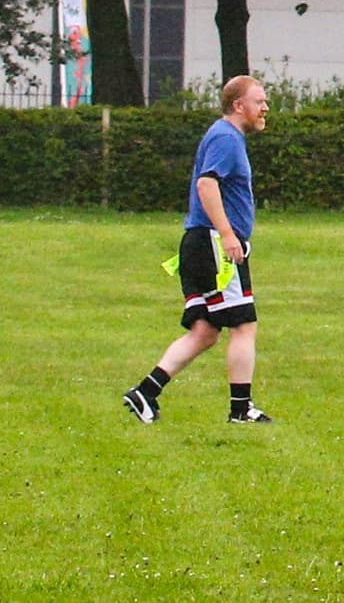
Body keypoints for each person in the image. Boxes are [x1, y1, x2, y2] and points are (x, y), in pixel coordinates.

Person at [127, 75, 273, 424]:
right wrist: (227, 235)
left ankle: (145, 392)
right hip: (213, 244)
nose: (265, 107)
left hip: (199, 242)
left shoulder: (224, 136)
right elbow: (207, 184)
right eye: (259, 101)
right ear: (239, 105)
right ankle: (241, 411)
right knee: (244, 325)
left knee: (205, 331)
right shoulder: (226, 138)